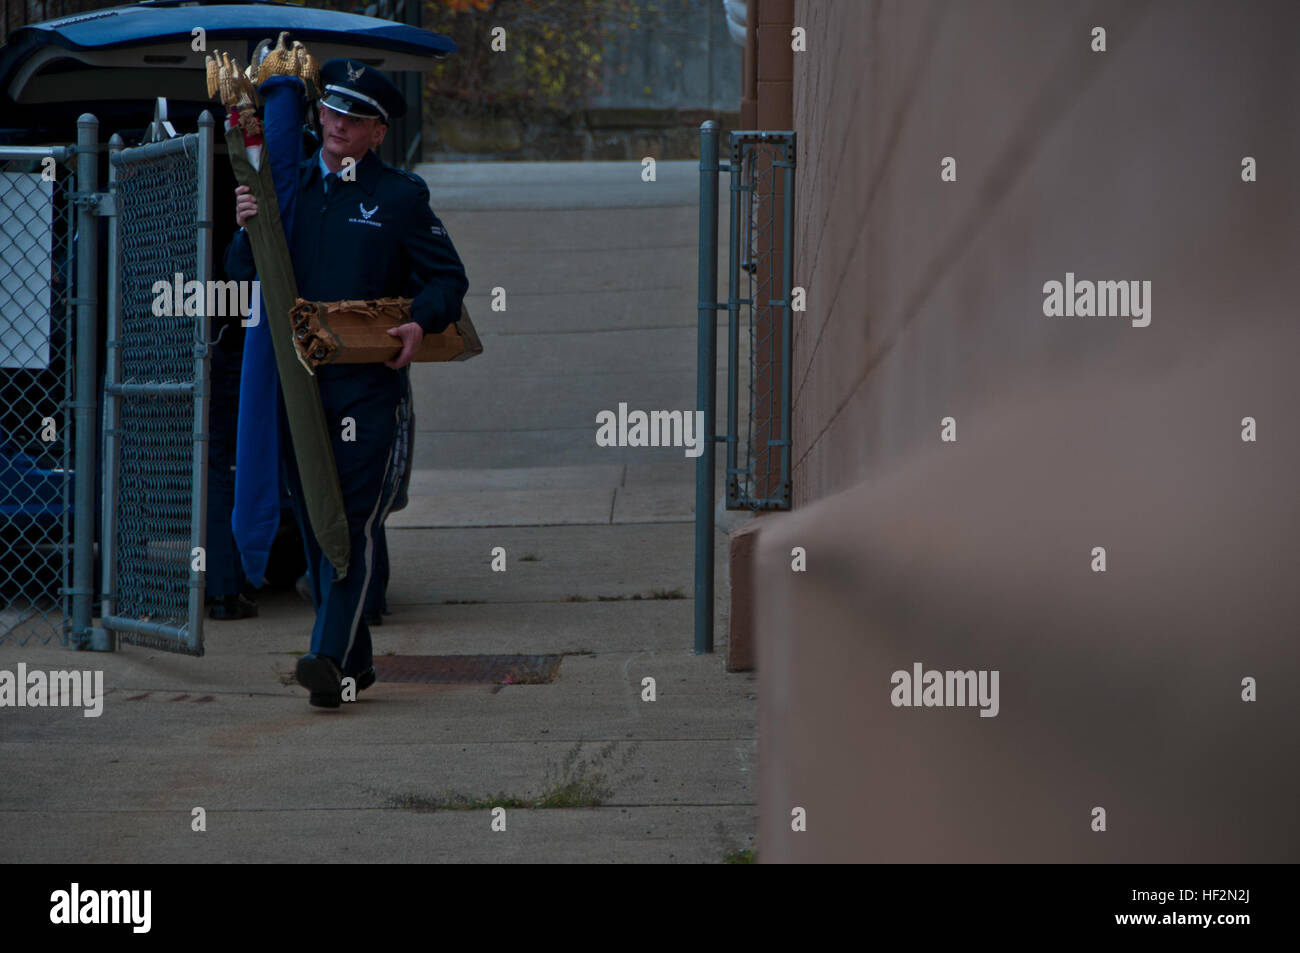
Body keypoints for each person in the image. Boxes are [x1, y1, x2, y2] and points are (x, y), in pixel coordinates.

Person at [224, 59, 468, 707]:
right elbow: (244, 271)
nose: (337, 124)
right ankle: (356, 668)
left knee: (351, 523)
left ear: (377, 132)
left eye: (354, 117)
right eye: (331, 110)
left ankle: (326, 658)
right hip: (296, 387)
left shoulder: (401, 198)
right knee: (313, 523)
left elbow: (448, 281)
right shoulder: (289, 187)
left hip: (366, 389)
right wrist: (249, 224)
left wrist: (420, 320)